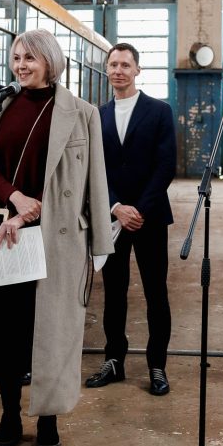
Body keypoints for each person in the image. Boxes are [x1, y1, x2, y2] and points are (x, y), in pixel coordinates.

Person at [0, 29, 114, 446]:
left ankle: (48, 420)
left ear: (49, 62)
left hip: (55, 238)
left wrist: (99, 243)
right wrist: (15, 197)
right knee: (5, 332)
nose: (21, 65)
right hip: (5, 234)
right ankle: (8, 414)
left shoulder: (82, 113)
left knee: (51, 333)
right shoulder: (0, 108)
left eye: (30, 58)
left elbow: (94, 179)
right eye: (17, 57)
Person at [85, 42, 177, 396]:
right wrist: (115, 207)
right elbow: (94, 168)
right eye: (113, 65)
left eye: (125, 65)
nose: (118, 70)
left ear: (138, 70)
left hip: (148, 217)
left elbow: (166, 165)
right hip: (112, 218)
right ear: (106, 70)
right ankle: (114, 360)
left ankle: (157, 365)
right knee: (114, 292)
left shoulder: (159, 111)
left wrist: (138, 209)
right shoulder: (97, 115)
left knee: (156, 293)